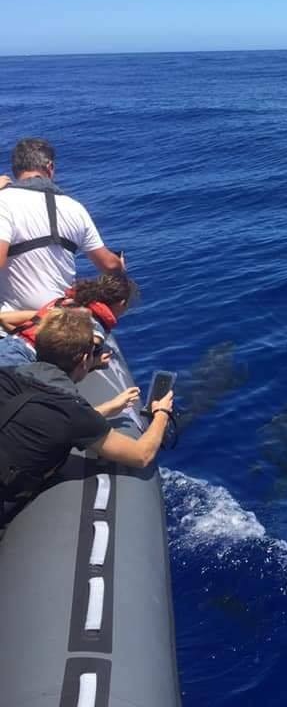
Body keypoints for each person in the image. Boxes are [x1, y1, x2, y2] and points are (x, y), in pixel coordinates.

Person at [0, 309, 173, 506]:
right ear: (84, 360)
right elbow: (141, 455)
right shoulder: (72, 411)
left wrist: (108, 407)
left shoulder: (6, 375)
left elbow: (37, 415)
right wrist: (161, 412)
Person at [0, 138, 124, 312]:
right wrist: (119, 263)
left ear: (15, 170)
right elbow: (110, 266)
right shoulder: (75, 207)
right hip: (62, 318)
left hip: (13, 323)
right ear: (50, 167)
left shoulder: (3, 201)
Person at [0, 273, 139, 367]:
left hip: (6, 345)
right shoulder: (95, 329)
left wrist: (27, 339)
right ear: (121, 303)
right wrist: (95, 362)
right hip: (19, 363)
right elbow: (68, 364)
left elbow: (4, 318)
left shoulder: (62, 306)